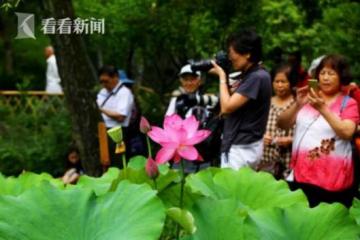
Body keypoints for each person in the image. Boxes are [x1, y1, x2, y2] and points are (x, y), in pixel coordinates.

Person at [277, 54, 359, 207]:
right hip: (300, 175)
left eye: (331, 73)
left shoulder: (348, 103)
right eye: (322, 73)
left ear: (341, 77)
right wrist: (297, 104)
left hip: (331, 181)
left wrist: (322, 108)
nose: (326, 78)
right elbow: (282, 124)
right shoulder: (307, 98)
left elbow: (347, 133)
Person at [209, 29, 272, 170]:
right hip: (246, 145)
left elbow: (227, 107)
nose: (230, 58)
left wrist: (222, 77)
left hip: (241, 148)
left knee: (230, 190)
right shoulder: (255, 74)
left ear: (247, 54)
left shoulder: (256, 77)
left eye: (232, 53)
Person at [166, 64, 219, 172]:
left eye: (193, 79)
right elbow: (167, 124)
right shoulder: (176, 100)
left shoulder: (208, 99)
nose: (189, 83)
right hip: (181, 151)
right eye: (186, 79)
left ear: (200, 80)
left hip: (204, 152)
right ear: (181, 81)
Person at [258, 64, 296, 179]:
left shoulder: (297, 104)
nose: (280, 85)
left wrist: (291, 140)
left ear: (291, 82)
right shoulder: (265, 103)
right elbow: (255, 127)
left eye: (284, 82)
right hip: (265, 161)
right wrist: (261, 137)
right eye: (276, 81)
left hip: (288, 162)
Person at [96, 65, 134, 167]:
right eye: (101, 82)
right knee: (104, 163)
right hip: (103, 130)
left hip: (118, 131)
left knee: (118, 163)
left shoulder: (125, 93)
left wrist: (100, 109)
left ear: (115, 77)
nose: (104, 84)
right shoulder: (102, 92)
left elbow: (121, 116)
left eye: (106, 81)